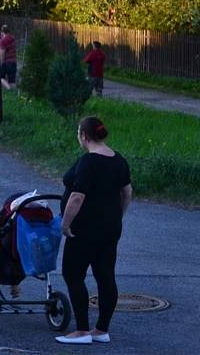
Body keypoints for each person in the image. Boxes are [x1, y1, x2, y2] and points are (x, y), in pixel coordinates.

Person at [56, 117, 132, 345]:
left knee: (73, 274)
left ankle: (81, 331)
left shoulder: (88, 162)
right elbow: (127, 191)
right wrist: (118, 215)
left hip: (84, 230)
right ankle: (101, 330)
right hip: (110, 228)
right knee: (105, 276)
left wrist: (65, 224)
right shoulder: (118, 159)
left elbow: (77, 197)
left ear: (84, 136)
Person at [0, 25, 17, 90]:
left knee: (0, 77)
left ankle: (9, 90)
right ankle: (15, 95)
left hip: (6, 62)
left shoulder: (2, 40)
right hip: (13, 62)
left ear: (2, 31)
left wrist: (0, 63)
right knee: (12, 81)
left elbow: (2, 54)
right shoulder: (13, 38)